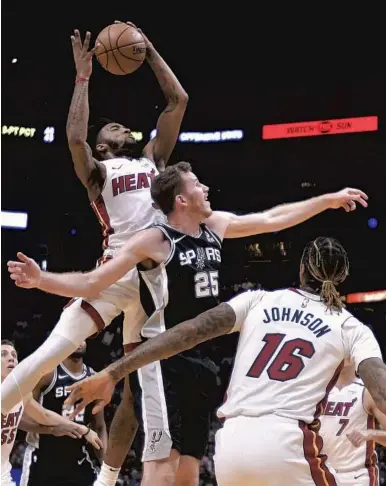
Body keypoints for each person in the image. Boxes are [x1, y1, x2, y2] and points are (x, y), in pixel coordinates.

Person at [7, 160, 368, 485]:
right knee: (161, 466)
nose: (206, 188)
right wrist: (43, 280)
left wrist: (326, 200)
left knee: (188, 472)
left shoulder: (214, 225)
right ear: (181, 200)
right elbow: (91, 283)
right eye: (197, 184)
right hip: (163, 358)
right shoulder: (155, 241)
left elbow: (272, 219)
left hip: (204, 360)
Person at [3, 21, 188, 486]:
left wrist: (147, 53)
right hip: (114, 274)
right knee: (50, 352)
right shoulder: (99, 172)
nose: (122, 124)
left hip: (153, 281)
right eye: (113, 126)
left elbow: (178, 101)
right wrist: (83, 77)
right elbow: (75, 139)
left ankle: (107, 482)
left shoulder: (154, 161)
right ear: (105, 144)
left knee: (140, 391)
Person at [59, 236, 386, 486]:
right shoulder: (351, 327)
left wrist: (115, 371)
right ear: (342, 277)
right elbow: (382, 394)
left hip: (231, 448)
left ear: (301, 269)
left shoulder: (258, 300)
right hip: (287, 445)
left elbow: (186, 333)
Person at [1, 340, 102, 486]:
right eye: (3, 354)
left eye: (14, 355)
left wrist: (54, 429)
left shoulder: (20, 395)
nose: (11, 358)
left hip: (4, 476)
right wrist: (84, 430)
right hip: (42, 458)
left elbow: (43, 415)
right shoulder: (47, 375)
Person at [320, 360, 386, 485]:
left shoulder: (368, 392)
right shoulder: (317, 391)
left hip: (356, 476)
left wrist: (371, 433)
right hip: (321, 472)